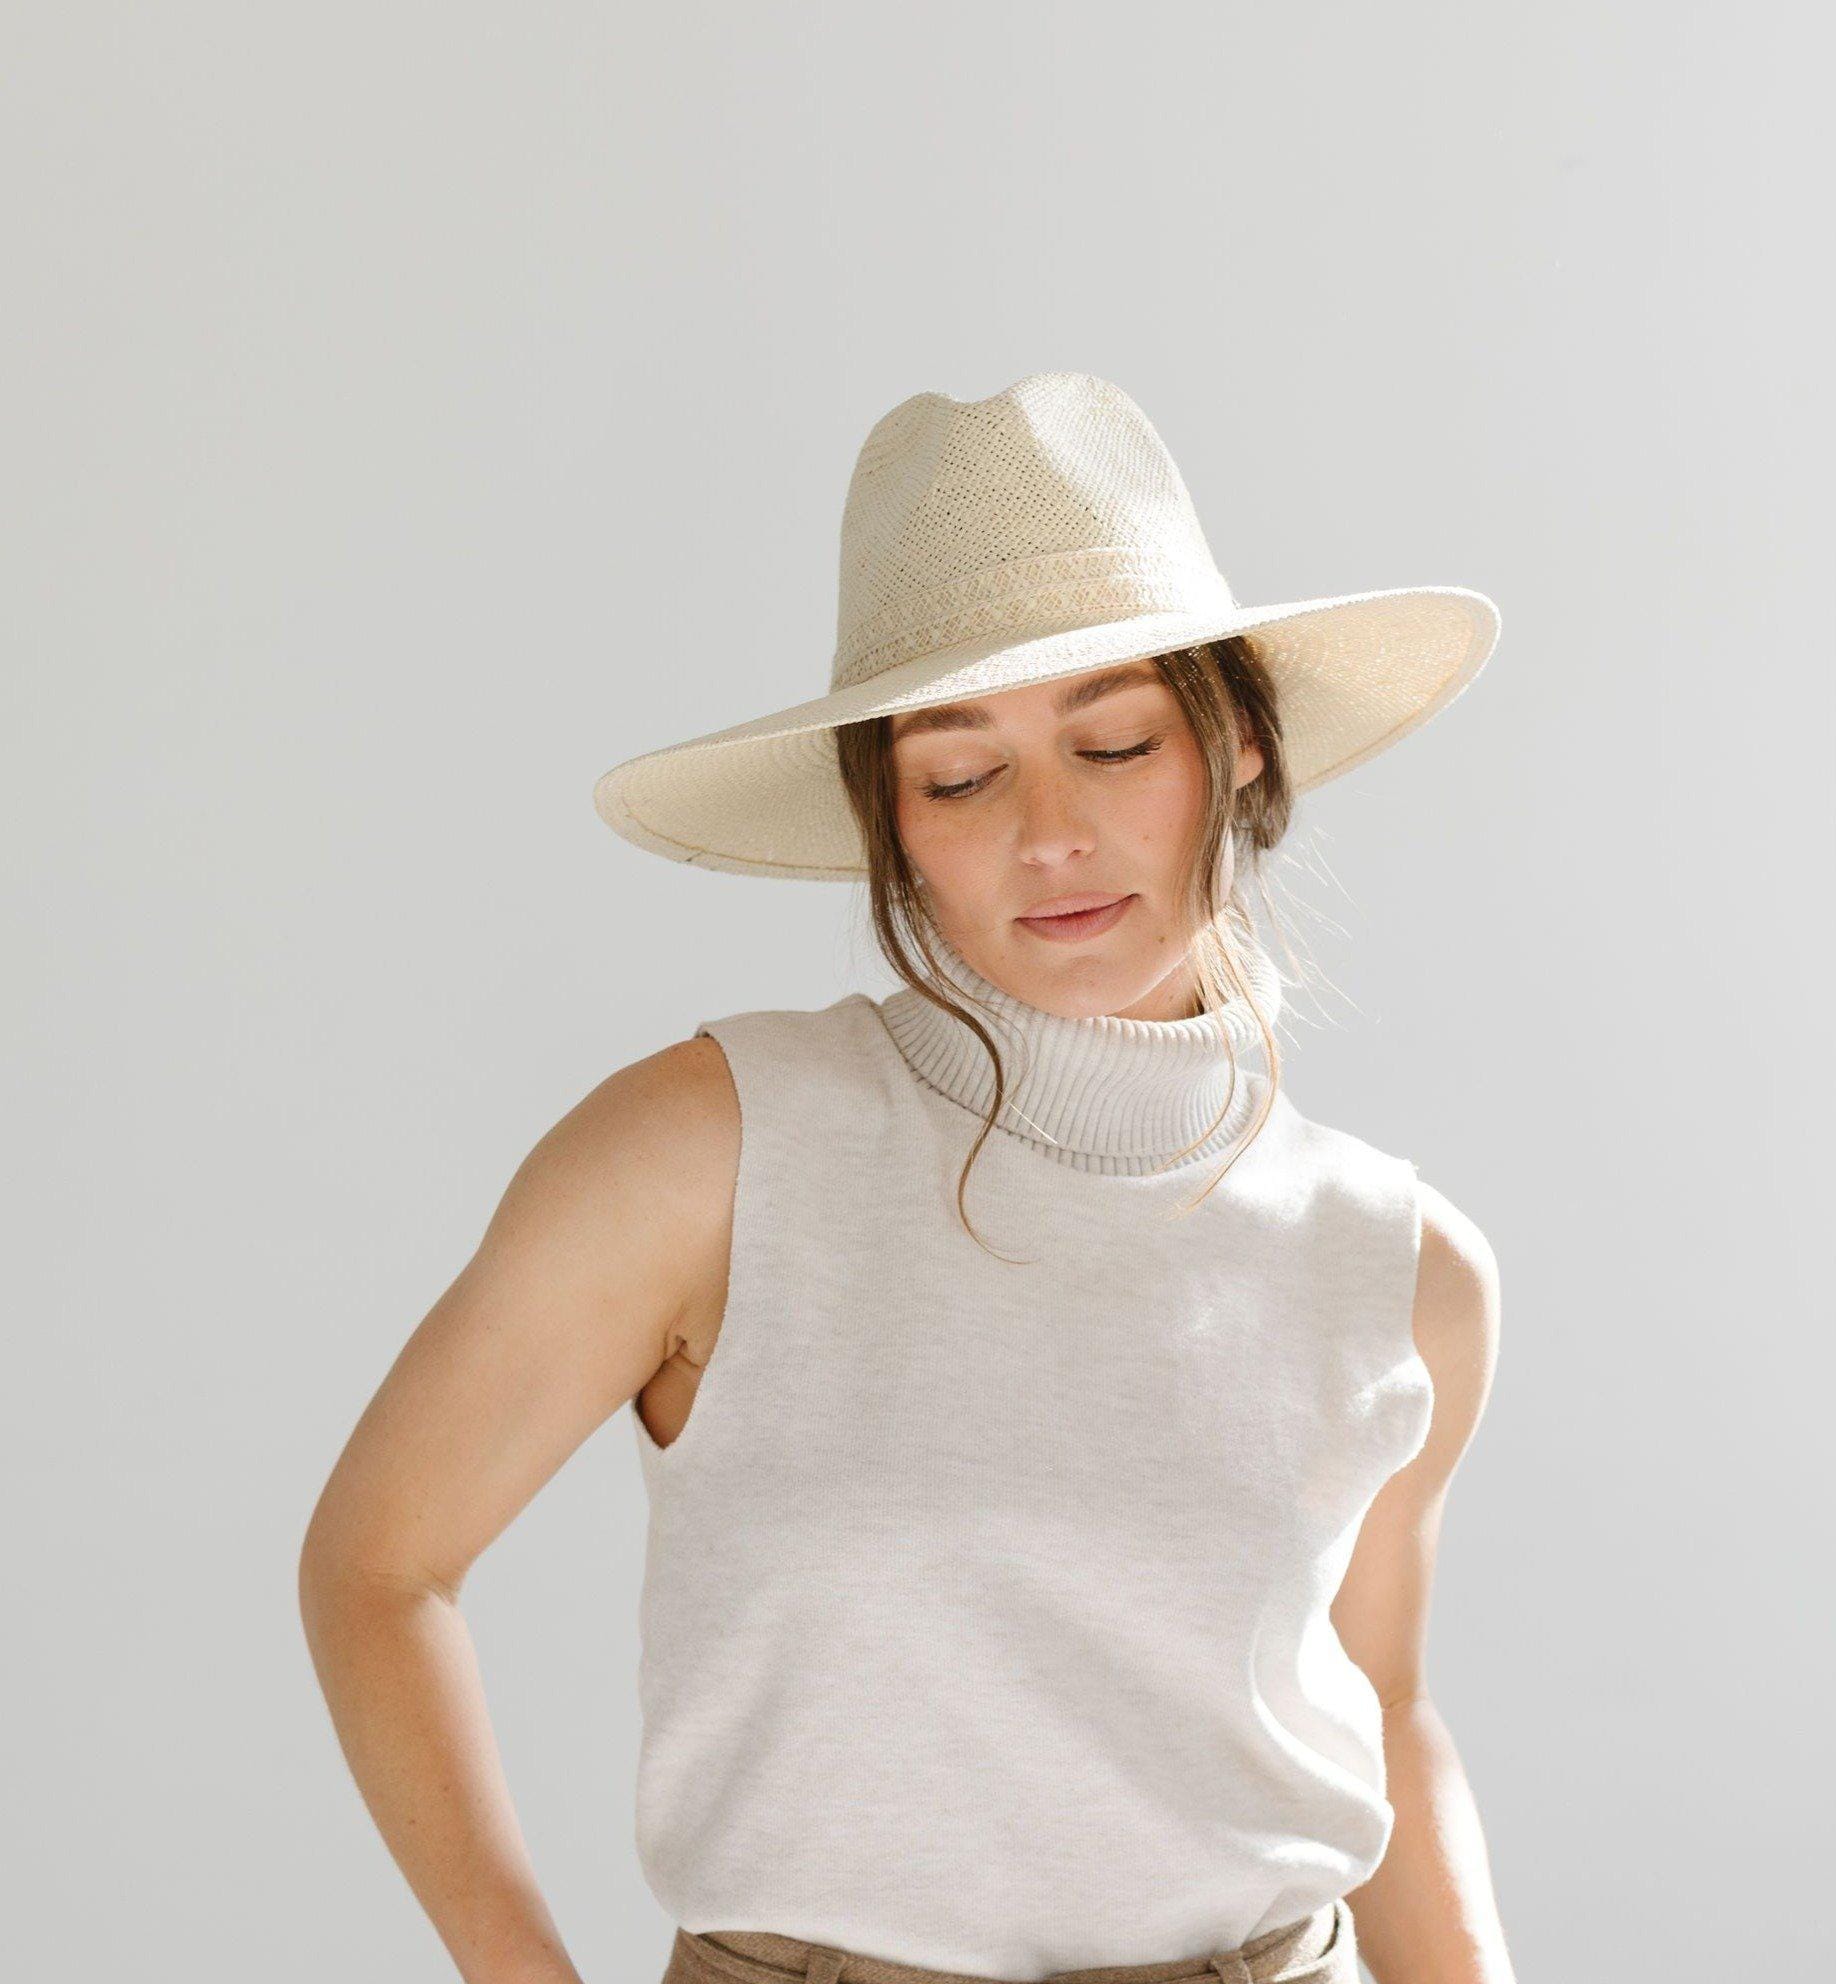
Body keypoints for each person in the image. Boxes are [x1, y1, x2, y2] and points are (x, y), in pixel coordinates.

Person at [299, 372, 1517, 1984]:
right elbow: (379, 1565)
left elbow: (1388, 1708)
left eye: (1115, 742)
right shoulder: (709, 1152)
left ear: (1235, 741)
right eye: (959, 775)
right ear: (888, 814)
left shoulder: (1398, 1264)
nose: (1050, 832)